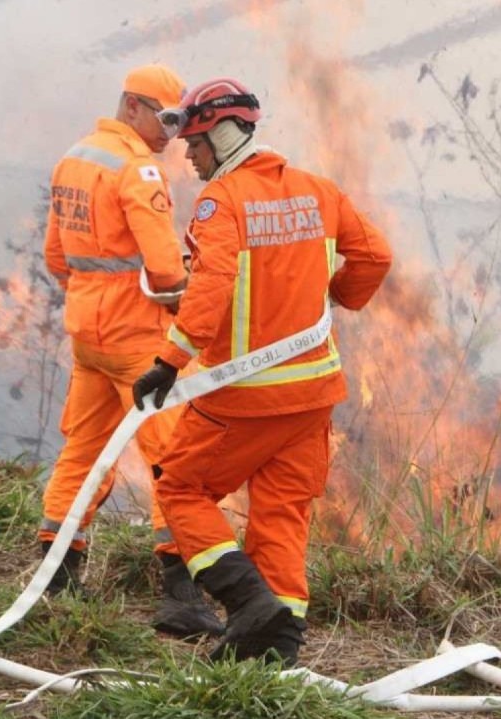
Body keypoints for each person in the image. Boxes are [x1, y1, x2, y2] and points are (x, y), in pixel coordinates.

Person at [132, 77, 393, 666]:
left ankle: (245, 599)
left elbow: (213, 285)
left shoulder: (221, 203)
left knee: (180, 487)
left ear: (221, 136)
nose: (189, 158)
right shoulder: (319, 192)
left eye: (194, 144)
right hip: (313, 396)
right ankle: (276, 649)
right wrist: (337, 295)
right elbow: (375, 256)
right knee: (280, 514)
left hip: (242, 398)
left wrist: (170, 360)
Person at [40, 64, 223, 639]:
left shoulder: (74, 157)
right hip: (137, 339)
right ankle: (181, 595)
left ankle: (56, 573)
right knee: (174, 460)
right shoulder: (138, 168)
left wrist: (92, 299)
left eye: (180, 120)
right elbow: (166, 269)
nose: (173, 132)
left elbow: (55, 258)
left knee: (85, 449)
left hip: (87, 334)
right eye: (167, 118)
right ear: (132, 107)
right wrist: (188, 308)